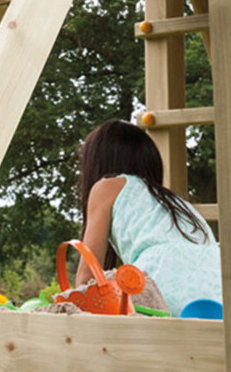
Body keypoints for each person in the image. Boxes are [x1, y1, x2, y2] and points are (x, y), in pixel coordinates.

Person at [78, 118, 222, 318]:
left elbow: (87, 276)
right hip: (217, 292)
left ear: (97, 162)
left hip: (161, 285)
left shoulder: (106, 187)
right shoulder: (174, 202)